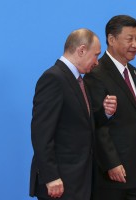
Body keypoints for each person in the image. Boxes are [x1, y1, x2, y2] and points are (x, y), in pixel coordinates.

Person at [29, 28, 117, 200]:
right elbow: (41, 133)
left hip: (79, 181)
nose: (97, 62)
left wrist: (104, 113)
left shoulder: (78, 80)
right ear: (82, 50)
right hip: (60, 183)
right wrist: (51, 177)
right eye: (96, 55)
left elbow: (80, 124)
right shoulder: (53, 78)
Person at [84, 15, 136, 200]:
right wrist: (111, 163)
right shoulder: (96, 74)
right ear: (111, 39)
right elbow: (97, 123)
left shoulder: (134, 72)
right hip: (112, 176)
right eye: (129, 38)